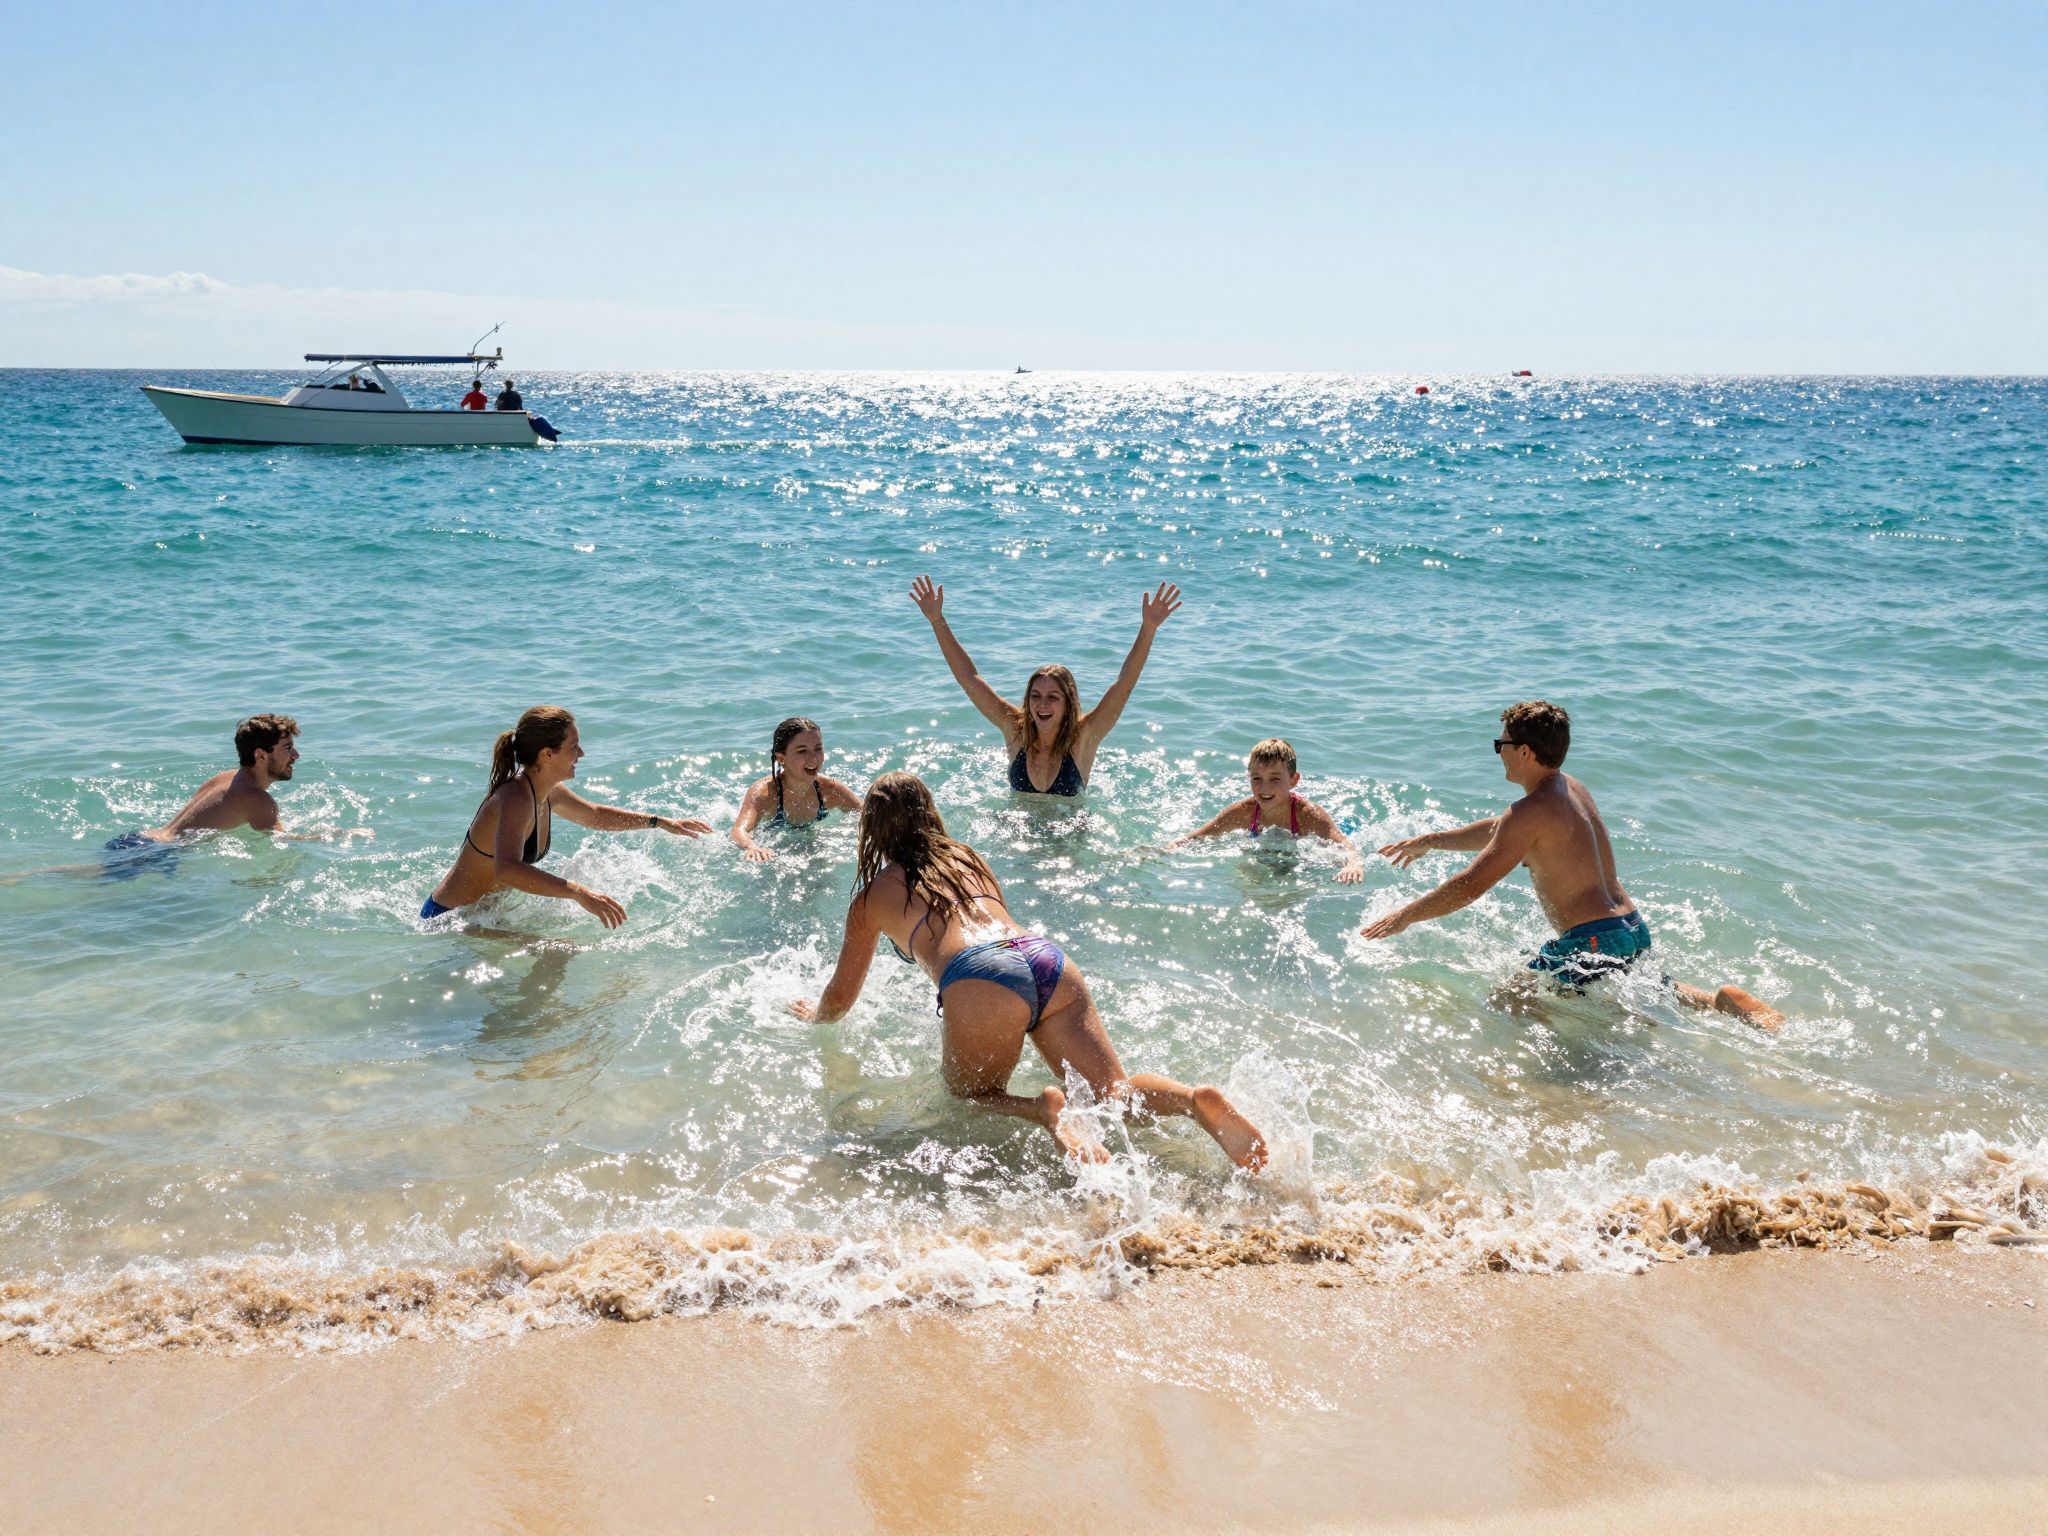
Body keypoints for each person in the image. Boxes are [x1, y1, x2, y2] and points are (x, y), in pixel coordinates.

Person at [789, 772, 1267, 1168]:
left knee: (970, 1096)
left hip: (979, 973)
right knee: (1112, 1092)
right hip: (1044, 959)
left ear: (872, 829)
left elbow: (841, 997)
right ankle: (1191, 1100)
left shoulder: (871, 897)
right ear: (929, 812)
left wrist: (817, 1016)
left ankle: (1042, 1109)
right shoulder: (967, 857)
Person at [1361, 701, 1784, 1030]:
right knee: (1656, 991)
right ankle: (1719, 1002)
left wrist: (1405, 916)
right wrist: (1431, 841)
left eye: (1500, 745)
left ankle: (1553, 1086)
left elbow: (1472, 884)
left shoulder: (1528, 812)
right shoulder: (1571, 789)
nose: (1498, 753)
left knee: (1511, 999)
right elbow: (1501, 830)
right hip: (1630, 928)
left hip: (1592, 940)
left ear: (1523, 752)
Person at [421, 706, 711, 925]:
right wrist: (578, 892)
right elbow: (506, 869)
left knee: (559, 955)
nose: (581, 754)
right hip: (448, 920)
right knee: (561, 952)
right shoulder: (515, 798)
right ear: (547, 754)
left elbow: (595, 815)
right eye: (573, 747)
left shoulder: (550, 792)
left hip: (483, 916)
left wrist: (660, 822)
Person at [909, 573, 1180, 796]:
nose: (1042, 704)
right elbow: (969, 680)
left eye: (1053, 697)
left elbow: (1124, 685)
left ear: (1068, 703)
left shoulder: (1084, 737)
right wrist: (937, 621)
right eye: (1035, 695)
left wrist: (1149, 628)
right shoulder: (1015, 731)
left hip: (1070, 838)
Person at [1171, 737, 1366, 882]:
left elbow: (1344, 845)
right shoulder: (1244, 812)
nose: (1264, 788)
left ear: (1293, 780)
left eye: (1275, 779)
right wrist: (1167, 849)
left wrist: (1353, 865)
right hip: (1271, 849)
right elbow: (1200, 836)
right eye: (1257, 778)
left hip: (1303, 851)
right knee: (1246, 870)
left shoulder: (1308, 814)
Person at [730, 716, 864, 862]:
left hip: (813, 843)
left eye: (818, 749)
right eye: (802, 751)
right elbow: (740, 830)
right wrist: (752, 847)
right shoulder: (766, 793)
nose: (813, 758)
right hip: (774, 847)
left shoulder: (830, 790)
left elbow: (867, 814)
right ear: (781, 758)